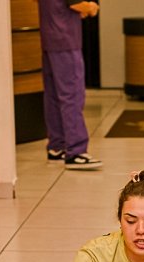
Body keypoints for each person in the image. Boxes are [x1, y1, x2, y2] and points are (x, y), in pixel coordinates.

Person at [37, 0, 102, 169]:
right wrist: (91, 7)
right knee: (72, 95)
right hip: (66, 39)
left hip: (49, 38)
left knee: (53, 96)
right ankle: (76, 151)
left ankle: (56, 147)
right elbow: (76, 4)